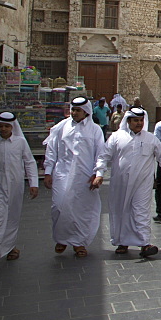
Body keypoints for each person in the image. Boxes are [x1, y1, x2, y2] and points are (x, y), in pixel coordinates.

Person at [92, 107, 161, 257]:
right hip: (120, 183)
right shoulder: (117, 137)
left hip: (142, 183)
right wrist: (99, 173)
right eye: (135, 120)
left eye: (141, 120)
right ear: (128, 121)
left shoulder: (150, 138)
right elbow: (104, 156)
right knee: (121, 211)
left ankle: (144, 243)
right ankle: (122, 242)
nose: (139, 123)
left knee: (140, 211)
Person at [0, 112, 39, 270]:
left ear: (12, 127)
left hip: (15, 187)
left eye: (7, 126)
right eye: (1, 126)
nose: (3, 129)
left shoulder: (20, 142)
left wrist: (34, 183)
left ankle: (9, 248)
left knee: (12, 218)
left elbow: (29, 162)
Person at [43, 96, 106, 258]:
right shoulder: (60, 128)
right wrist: (48, 171)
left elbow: (101, 154)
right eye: (73, 109)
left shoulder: (95, 130)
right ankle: (62, 238)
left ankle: (79, 242)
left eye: (78, 110)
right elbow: (52, 150)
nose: (74, 112)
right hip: (62, 175)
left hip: (84, 176)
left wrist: (98, 174)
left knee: (81, 211)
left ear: (86, 112)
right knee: (59, 207)